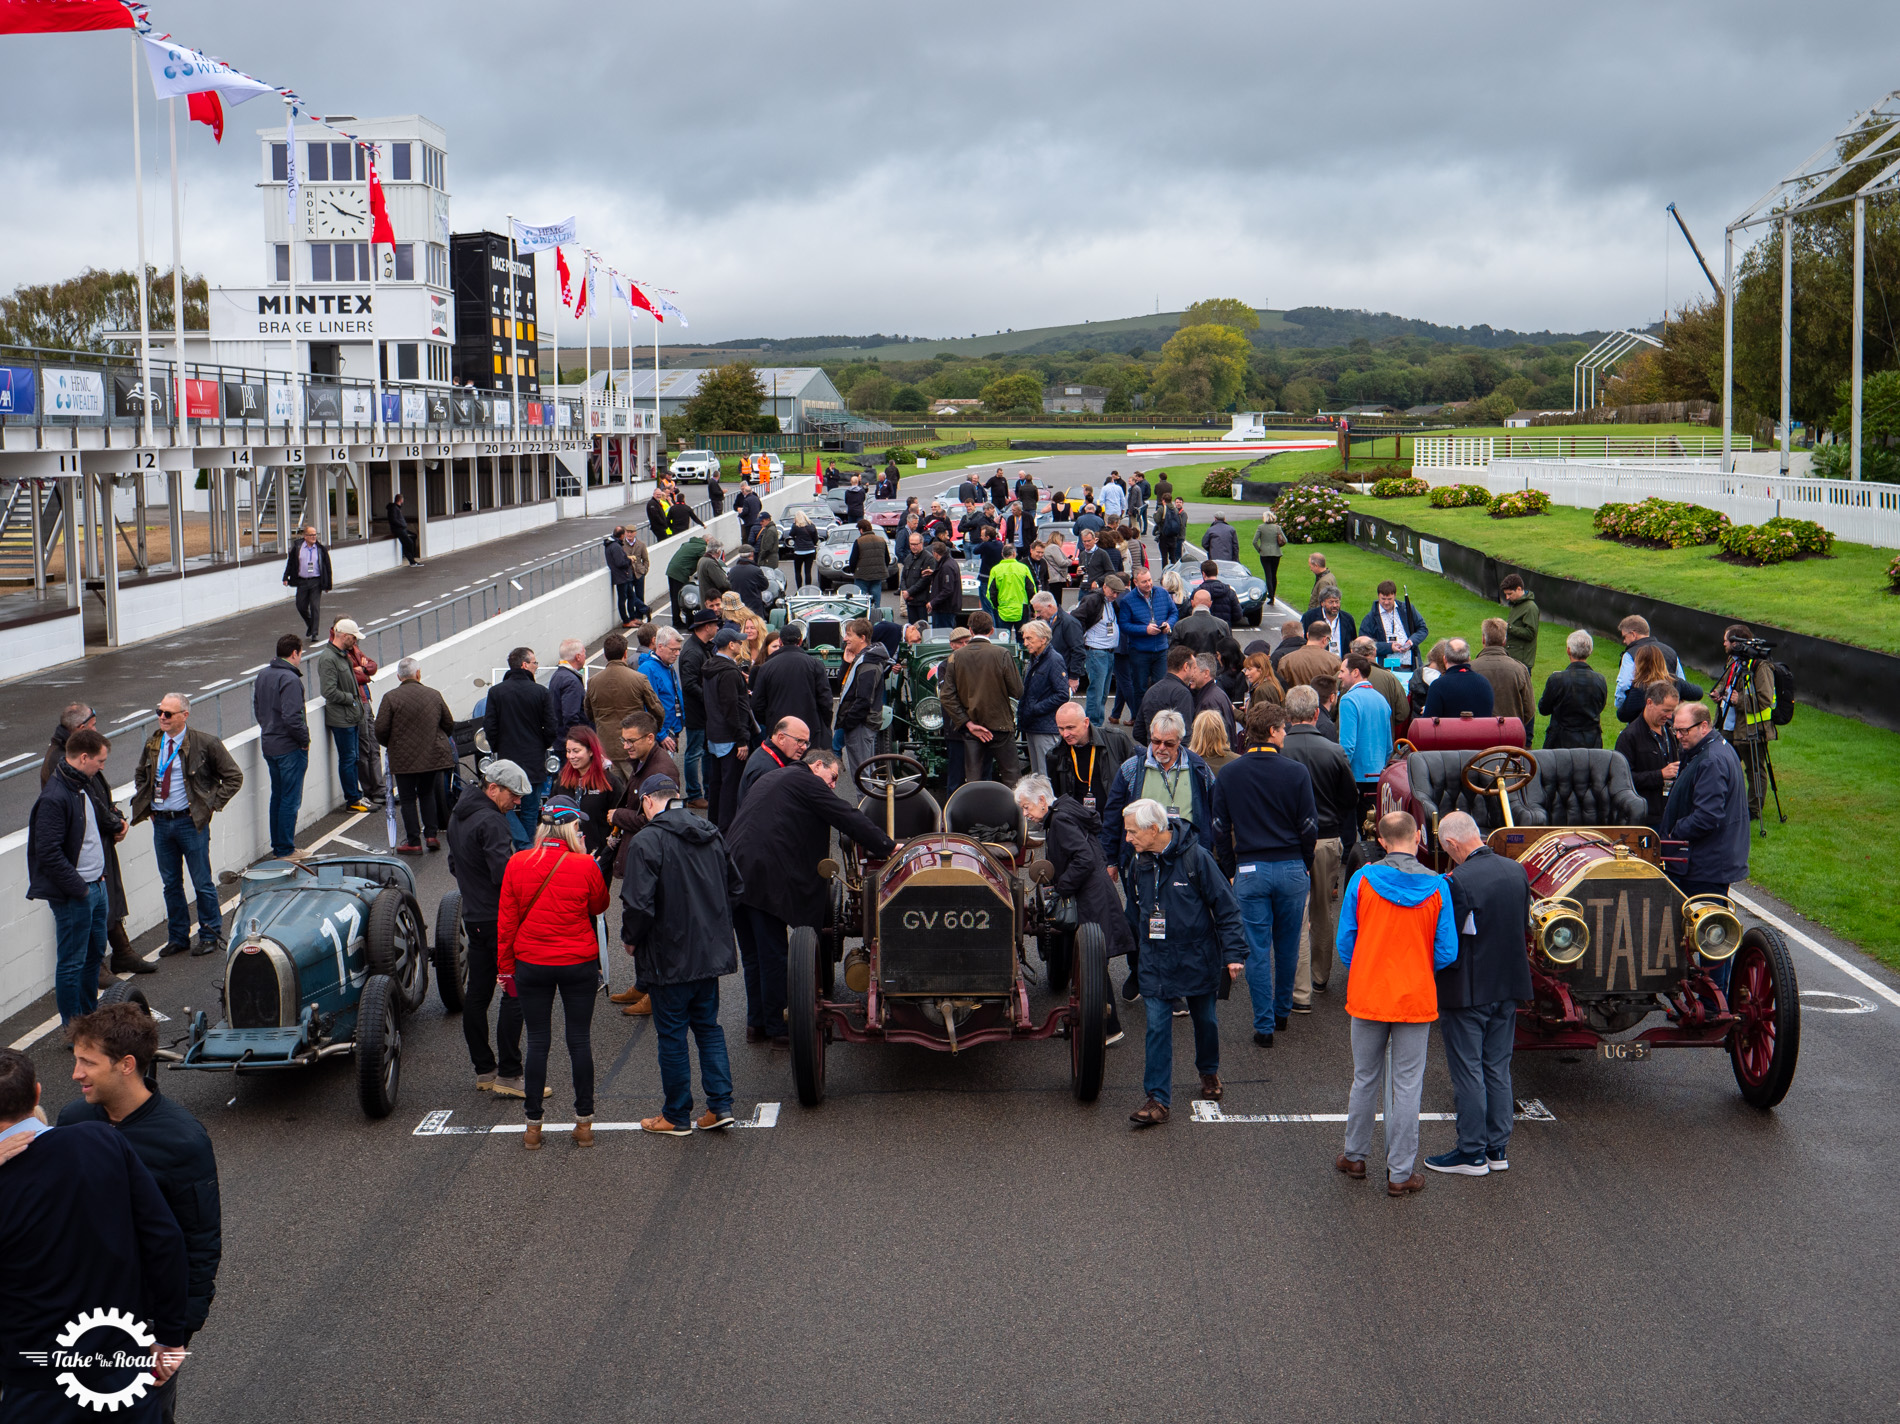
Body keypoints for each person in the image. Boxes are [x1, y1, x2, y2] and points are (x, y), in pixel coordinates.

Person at [0, 1048, 189, 1412]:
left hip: (35, 1385)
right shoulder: (102, 1141)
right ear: (37, 1093)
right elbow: (165, 1239)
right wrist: (169, 1336)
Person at [55, 1001, 222, 1388]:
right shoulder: (72, 1120)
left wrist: (175, 1337)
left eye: (88, 1063)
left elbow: (200, 1244)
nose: (76, 1073)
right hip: (75, 1314)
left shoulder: (183, 1141)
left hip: (141, 1328)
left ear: (126, 1065)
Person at [727, 750, 895, 1044]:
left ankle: (758, 1025)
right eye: (832, 778)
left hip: (735, 870)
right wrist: (887, 846)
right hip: (762, 872)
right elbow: (845, 814)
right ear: (817, 765)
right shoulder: (805, 780)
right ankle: (780, 1028)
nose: (832, 785)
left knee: (753, 954)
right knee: (773, 955)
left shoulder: (776, 777)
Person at [1335, 812, 1458, 1196]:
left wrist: (1368, 966)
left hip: (1369, 995)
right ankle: (1400, 1173)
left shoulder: (1362, 879)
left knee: (1364, 1077)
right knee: (1407, 1085)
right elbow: (1447, 950)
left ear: (1383, 842)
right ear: (1418, 836)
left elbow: (1345, 943)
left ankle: (1354, 1155)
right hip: (1415, 997)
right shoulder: (1438, 886)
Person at [619, 775, 744, 1135]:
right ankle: (720, 1106)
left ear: (646, 802)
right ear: (676, 798)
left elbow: (638, 905)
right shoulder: (710, 831)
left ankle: (675, 1115)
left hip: (667, 955)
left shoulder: (647, 841)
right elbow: (734, 887)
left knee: (672, 1034)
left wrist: (631, 939)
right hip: (709, 952)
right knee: (708, 1028)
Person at [1119, 799, 1247, 1125]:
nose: (1127, 838)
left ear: (1153, 829)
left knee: (1206, 1021)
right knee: (1157, 1028)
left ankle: (1208, 1071)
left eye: (1133, 831)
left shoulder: (1197, 858)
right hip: (1155, 959)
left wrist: (1233, 955)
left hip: (1197, 955)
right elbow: (1135, 913)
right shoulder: (1137, 862)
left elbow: (1226, 908)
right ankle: (1157, 1099)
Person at [498, 795, 609, 1148]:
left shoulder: (517, 862)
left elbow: (506, 923)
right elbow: (600, 904)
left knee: (538, 1042)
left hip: (532, 963)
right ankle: (585, 1123)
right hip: (578, 963)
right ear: (567, 828)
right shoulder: (585, 865)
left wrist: (505, 970)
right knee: (579, 1040)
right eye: (578, 826)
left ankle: (533, 1127)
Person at [1427, 810, 1534, 1177]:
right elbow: (1523, 925)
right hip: (1509, 984)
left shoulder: (1455, 881)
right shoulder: (1516, 870)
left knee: (1468, 1070)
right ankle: (1497, 1149)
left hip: (1469, 990)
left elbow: (1447, 940)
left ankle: (1470, 1152)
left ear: (1453, 844)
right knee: (1497, 1067)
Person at [1210, 699, 1317, 1049]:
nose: (1285, 733)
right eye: (1283, 728)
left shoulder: (1229, 773)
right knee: (1287, 946)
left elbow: (1219, 828)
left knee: (1255, 951)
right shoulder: (1297, 772)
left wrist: (1229, 869)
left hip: (1249, 869)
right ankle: (1282, 1011)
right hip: (1289, 867)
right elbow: (1309, 827)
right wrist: (1302, 861)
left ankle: (1264, 1026)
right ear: (1272, 731)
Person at [1013, 774, 1127, 1042]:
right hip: (1095, 893)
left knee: (1093, 962)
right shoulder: (1066, 811)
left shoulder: (1061, 821)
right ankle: (1108, 1027)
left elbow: (1084, 859)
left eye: (1027, 807)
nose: (1026, 814)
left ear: (1042, 800)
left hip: (1090, 897)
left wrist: (1061, 888)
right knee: (1093, 960)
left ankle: (1109, 1029)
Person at [448, 759, 532, 1094]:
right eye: (514, 795)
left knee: (478, 996)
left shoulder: (458, 814)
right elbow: (505, 876)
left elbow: (454, 863)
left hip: (475, 916)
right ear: (493, 788)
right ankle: (510, 1075)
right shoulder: (493, 823)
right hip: (500, 919)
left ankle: (485, 1070)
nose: (519, 802)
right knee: (516, 992)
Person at [29, 727, 122, 1024]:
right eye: (100, 761)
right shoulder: (55, 797)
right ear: (84, 758)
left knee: (94, 956)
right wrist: (80, 889)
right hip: (76, 895)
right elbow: (48, 852)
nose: (102, 767)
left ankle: (88, 1018)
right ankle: (74, 1028)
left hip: (97, 886)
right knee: (72, 963)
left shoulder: (82, 786)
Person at [1279, 684, 1358, 1010]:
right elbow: (1349, 798)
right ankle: (1320, 976)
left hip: (1287, 842)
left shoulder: (1279, 751)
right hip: (1325, 839)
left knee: (1292, 915)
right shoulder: (1334, 750)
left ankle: (1295, 984)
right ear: (1315, 714)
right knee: (1323, 912)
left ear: (1287, 714)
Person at [1659, 700, 1749, 905]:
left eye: (1684, 731)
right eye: (1676, 730)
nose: (1679, 736)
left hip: (1705, 868)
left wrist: (1674, 831)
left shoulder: (1710, 761)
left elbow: (1707, 817)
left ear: (1704, 726)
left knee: (1704, 930)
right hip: (1709, 862)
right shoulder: (1713, 750)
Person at [484, 646, 560, 848]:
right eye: (535, 663)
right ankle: (525, 849)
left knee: (505, 806)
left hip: (507, 759)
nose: (536, 666)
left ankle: (521, 844)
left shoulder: (496, 692)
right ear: (525, 665)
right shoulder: (541, 692)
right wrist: (541, 744)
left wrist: (498, 747)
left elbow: (490, 727)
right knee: (530, 808)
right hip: (533, 759)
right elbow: (552, 727)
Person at [946, 612, 1024, 786]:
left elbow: (947, 696)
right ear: (992, 630)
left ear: (970, 630)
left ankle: (974, 813)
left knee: (973, 781)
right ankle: (1019, 813)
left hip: (972, 728)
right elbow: (1018, 691)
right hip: (1001, 726)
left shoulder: (956, 657)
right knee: (1012, 778)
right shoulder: (1002, 654)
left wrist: (967, 723)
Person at [253, 633, 311, 860]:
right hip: (289, 747)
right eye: (300, 653)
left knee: (277, 797)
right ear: (294, 653)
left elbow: (258, 709)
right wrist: (304, 741)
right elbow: (293, 717)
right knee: (290, 799)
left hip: (269, 743)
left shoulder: (263, 675)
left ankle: (279, 846)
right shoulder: (290, 679)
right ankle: (286, 849)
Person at [1713, 623, 1778, 820]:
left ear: (1736, 642)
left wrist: (1737, 700)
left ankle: (1753, 810)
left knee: (1755, 770)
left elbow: (1765, 699)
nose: (1723, 643)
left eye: (1726, 640)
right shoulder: (1733, 661)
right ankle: (1722, 804)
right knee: (1723, 768)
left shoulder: (1760, 666)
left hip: (1752, 729)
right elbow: (1728, 683)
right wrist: (1720, 692)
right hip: (1728, 726)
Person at [584, 633, 664, 781]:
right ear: (625, 653)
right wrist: (653, 733)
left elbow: (589, 713)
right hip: (634, 746)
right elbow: (657, 710)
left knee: (614, 795)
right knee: (638, 790)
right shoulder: (638, 679)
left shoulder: (593, 682)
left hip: (606, 748)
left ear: (605, 656)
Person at [313, 619, 373, 814]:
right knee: (348, 759)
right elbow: (328, 691)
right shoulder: (329, 658)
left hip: (350, 715)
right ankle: (352, 799)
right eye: (353, 638)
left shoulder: (342, 655)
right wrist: (352, 699)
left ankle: (356, 796)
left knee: (353, 757)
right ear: (345, 636)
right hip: (342, 718)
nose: (355, 642)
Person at [701, 627, 754, 831]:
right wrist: (741, 740)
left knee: (716, 785)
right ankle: (726, 831)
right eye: (738, 642)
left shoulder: (709, 667)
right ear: (731, 645)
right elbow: (731, 707)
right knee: (730, 788)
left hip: (715, 735)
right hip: (731, 738)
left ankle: (713, 825)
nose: (740, 645)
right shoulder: (730, 672)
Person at [1047, 701, 1137, 811]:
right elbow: (1057, 796)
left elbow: (1137, 779)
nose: (1065, 734)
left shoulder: (1116, 740)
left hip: (1114, 818)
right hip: (1077, 821)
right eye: (1061, 728)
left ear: (1086, 722)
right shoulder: (1055, 754)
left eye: (1070, 728)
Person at [1615, 681, 1682, 826]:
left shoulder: (1671, 730)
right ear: (1649, 703)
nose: (1669, 716)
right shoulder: (1629, 737)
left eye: (1672, 711)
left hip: (1671, 813)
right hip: (1646, 818)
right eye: (1665, 710)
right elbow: (1622, 780)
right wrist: (1660, 775)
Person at [557, 726, 624, 872]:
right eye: (568, 751)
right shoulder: (562, 780)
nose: (571, 756)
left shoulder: (610, 783)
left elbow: (620, 821)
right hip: (565, 856)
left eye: (576, 751)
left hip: (598, 858)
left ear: (591, 751)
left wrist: (605, 855)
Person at [751, 621, 834, 736]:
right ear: (800, 641)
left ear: (780, 641)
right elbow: (826, 701)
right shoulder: (815, 665)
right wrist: (824, 723)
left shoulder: (766, 667)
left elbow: (757, 704)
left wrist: (770, 721)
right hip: (809, 729)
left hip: (778, 730)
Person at [834, 618, 891, 783]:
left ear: (862, 638)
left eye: (849, 634)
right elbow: (843, 684)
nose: (845, 638)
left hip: (860, 726)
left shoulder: (868, 664)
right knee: (865, 773)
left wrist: (848, 722)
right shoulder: (862, 659)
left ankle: (865, 808)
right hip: (858, 725)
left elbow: (863, 701)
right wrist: (846, 663)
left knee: (862, 776)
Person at [1115, 567, 1177, 717]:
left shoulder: (1162, 593)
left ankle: (1160, 718)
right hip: (1139, 651)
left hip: (1161, 649)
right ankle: (1140, 719)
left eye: (1149, 580)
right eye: (1144, 582)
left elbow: (1174, 612)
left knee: (1161, 686)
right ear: (1135, 582)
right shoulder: (1127, 600)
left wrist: (1169, 624)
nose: (1148, 584)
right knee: (1140, 688)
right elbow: (1123, 625)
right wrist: (1145, 630)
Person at [677, 610, 720, 808]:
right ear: (706, 627)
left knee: (705, 752)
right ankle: (694, 794)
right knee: (694, 752)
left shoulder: (702, 647)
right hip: (698, 713)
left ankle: (708, 791)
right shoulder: (693, 652)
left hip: (704, 712)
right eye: (715, 624)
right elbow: (689, 684)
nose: (717, 628)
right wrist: (710, 697)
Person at [1538, 629, 1608, 749]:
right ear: (1590, 651)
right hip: (1590, 742)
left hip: (1561, 742)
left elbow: (1544, 708)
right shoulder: (1599, 680)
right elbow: (1600, 706)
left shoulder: (1557, 679)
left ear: (1568, 650)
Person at [1336, 655, 1394, 790]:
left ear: (1355, 672)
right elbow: (1388, 746)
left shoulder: (1348, 700)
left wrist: (1340, 775)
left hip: (1356, 778)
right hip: (1378, 776)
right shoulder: (1381, 700)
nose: (1339, 676)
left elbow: (1347, 746)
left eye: (1342, 671)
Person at [1018, 619, 1068, 775]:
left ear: (1043, 639)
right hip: (1033, 725)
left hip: (1045, 728)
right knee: (1037, 774)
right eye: (1024, 638)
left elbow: (1062, 694)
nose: (1025, 643)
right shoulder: (1035, 659)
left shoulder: (1054, 659)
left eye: (1029, 638)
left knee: (1046, 775)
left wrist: (1035, 709)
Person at [1473, 618, 1536, 739]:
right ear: (1504, 640)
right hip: (1511, 736)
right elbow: (1529, 709)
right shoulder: (1520, 669)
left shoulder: (1471, 668)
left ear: (1483, 639)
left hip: (1480, 737)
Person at [1614, 642, 1702, 724]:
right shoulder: (1675, 681)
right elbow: (1698, 692)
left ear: (1639, 664)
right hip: (1671, 731)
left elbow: (1622, 715)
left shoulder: (1639, 689)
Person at [1074, 576, 1121, 726]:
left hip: (1108, 652)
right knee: (1097, 692)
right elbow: (1077, 617)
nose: (1115, 596)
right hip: (1096, 651)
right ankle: (1093, 725)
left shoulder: (1110, 603)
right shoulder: (1093, 600)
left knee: (1103, 693)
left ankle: (1096, 724)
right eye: (1113, 592)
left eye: (1117, 593)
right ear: (1105, 587)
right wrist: (1082, 638)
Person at [1612, 614, 1682, 705]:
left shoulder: (1630, 654)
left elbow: (1624, 684)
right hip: (1668, 711)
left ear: (1633, 634)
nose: (1624, 641)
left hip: (1641, 710)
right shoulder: (1671, 651)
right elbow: (1681, 681)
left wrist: (1621, 706)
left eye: (1624, 637)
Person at [1361, 581, 1427, 673]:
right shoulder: (1370, 618)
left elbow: (1423, 629)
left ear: (1395, 596)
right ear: (1378, 596)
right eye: (1383, 599)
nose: (1386, 602)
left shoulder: (1407, 609)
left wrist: (1411, 642)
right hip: (1385, 670)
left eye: (1389, 599)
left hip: (1409, 667)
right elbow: (1364, 645)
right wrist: (1389, 647)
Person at [1420, 638, 1495, 719]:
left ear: (1445, 659)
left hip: (1448, 731)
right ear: (1468, 659)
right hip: (1480, 731)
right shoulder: (1484, 683)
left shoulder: (1438, 686)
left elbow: (1428, 723)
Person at [282, 523, 332, 640]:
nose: (314, 537)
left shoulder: (321, 549)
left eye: (315, 535)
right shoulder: (298, 548)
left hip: (316, 581)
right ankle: (310, 624)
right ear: (305, 536)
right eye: (311, 535)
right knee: (301, 606)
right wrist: (285, 577)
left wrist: (328, 584)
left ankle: (314, 632)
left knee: (315, 607)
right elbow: (291, 563)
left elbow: (327, 567)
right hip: (302, 581)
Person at [1349, 634, 1410, 729]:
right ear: (1374, 651)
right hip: (1382, 736)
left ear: (1352, 652)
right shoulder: (1390, 678)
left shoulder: (1340, 676)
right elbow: (1403, 712)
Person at [1278, 619, 1343, 691]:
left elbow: (1280, 689)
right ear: (1325, 639)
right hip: (1323, 701)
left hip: (1296, 701)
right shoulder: (1334, 660)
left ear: (1307, 635)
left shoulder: (1286, 660)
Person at [987, 544, 1036, 639]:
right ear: (1014, 554)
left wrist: (996, 606)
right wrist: (1033, 609)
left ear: (1002, 554)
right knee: (1023, 639)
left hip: (1003, 610)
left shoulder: (995, 570)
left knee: (1003, 640)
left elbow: (991, 593)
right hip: (1022, 609)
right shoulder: (1023, 568)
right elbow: (1031, 590)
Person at [606, 527, 648, 626]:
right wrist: (630, 560)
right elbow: (620, 562)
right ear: (622, 535)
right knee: (623, 599)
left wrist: (644, 570)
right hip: (621, 576)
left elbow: (645, 560)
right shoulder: (616, 546)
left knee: (631, 596)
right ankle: (626, 621)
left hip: (625, 576)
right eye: (626, 533)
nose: (628, 535)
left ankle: (632, 618)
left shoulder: (614, 544)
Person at [548, 639, 591, 735]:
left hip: (560, 738)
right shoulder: (571, 681)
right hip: (570, 742)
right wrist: (576, 740)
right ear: (578, 657)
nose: (585, 656)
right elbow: (570, 716)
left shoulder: (557, 676)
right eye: (584, 653)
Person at [666, 532, 707, 628]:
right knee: (683, 596)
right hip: (679, 573)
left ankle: (676, 620)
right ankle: (677, 622)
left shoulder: (689, 544)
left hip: (672, 571)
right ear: (707, 541)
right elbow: (704, 562)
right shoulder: (701, 547)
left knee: (674, 597)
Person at [1171, 590, 1231, 656]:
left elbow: (1173, 653)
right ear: (1210, 604)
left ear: (1192, 603)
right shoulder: (1222, 625)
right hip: (1214, 664)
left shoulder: (1180, 625)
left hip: (1189, 664)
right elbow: (1228, 651)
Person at [1303, 587, 1357, 658]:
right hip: (1318, 661)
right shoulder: (1310, 617)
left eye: (1337, 602)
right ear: (1322, 603)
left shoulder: (1347, 619)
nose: (1335, 605)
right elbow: (1303, 641)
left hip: (1341, 663)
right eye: (1331, 602)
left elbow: (1353, 642)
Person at [845, 519, 889, 606]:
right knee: (876, 600)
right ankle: (876, 615)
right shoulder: (881, 540)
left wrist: (853, 571)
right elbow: (887, 558)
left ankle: (863, 618)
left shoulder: (859, 541)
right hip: (877, 574)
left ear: (861, 530)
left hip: (862, 575)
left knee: (861, 602)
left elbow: (853, 560)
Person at [1500, 574, 1539, 672]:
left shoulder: (1530, 607)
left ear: (1518, 589)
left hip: (1522, 663)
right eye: (1506, 594)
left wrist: (1507, 627)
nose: (1507, 597)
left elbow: (1530, 634)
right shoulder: (1517, 605)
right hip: (1513, 659)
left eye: (1510, 594)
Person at [1195, 561, 1244, 628]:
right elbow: (1238, 615)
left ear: (1203, 574)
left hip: (1204, 631)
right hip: (1224, 631)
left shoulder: (1198, 593)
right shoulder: (1230, 592)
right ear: (1217, 573)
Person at [927, 540, 962, 629]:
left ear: (935, 553)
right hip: (947, 607)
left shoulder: (946, 566)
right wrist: (934, 573)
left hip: (945, 609)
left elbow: (948, 589)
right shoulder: (949, 562)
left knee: (943, 635)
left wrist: (932, 603)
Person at [1253, 510, 1286, 603]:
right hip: (1276, 553)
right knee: (1274, 574)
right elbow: (1285, 540)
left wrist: (1259, 549)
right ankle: (1273, 594)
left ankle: (1270, 595)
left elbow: (1254, 541)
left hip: (1264, 553)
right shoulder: (1277, 528)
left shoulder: (1261, 527)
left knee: (1268, 574)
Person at [386, 491, 422, 565]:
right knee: (408, 543)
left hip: (402, 529)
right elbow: (393, 520)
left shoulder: (397, 508)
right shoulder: (394, 508)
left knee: (413, 536)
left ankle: (412, 558)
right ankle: (411, 561)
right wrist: (402, 525)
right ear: (401, 500)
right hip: (398, 529)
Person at [789, 510, 821, 588]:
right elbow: (816, 539)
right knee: (808, 572)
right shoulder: (811, 525)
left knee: (798, 571)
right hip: (810, 551)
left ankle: (799, 589)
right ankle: (808, 589)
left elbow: (791, 534)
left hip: (799, 551)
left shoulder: (795, 526)